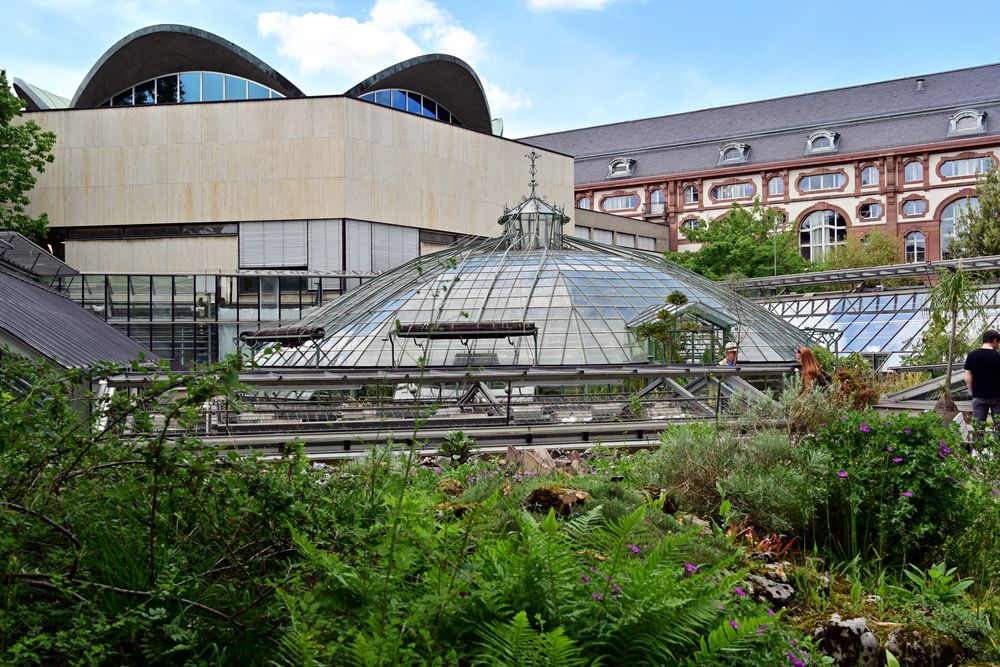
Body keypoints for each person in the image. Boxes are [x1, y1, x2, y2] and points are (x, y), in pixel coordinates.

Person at [963, 329, 1000, 437]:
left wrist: (972, 391)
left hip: (979, 397)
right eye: (998, 342)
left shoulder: (972, 355)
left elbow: (967, 378)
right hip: (997, 398)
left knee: (978, 430)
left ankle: (977, 451)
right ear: (994, 340)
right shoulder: (998, 357)